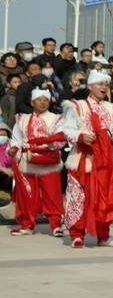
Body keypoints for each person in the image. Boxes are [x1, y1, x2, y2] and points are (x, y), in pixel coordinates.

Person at [60, 70, 113, 248]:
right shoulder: (77, 106)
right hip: (82, 159)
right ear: (90, 86)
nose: (104, 87)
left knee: (104, 198)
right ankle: (76, 234)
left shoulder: (112, 108)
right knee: (78, 197)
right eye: (100, 84)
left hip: (104, 161)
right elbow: (66, 129)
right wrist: (81, 136)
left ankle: (103, 235)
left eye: (106, 84)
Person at [8, 89, 65, 236]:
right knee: (27, 193)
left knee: (52, 193)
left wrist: (47, 145)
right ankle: (27, 224)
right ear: (31, 102)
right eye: (39, 100)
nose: (42, 102)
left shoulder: (56, 118)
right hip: (28, 161)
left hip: (48, 161)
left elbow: (61, 139)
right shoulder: (22, 119)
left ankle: (56, 224)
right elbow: (16, 138)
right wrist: (14, 148)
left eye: (45, 100)